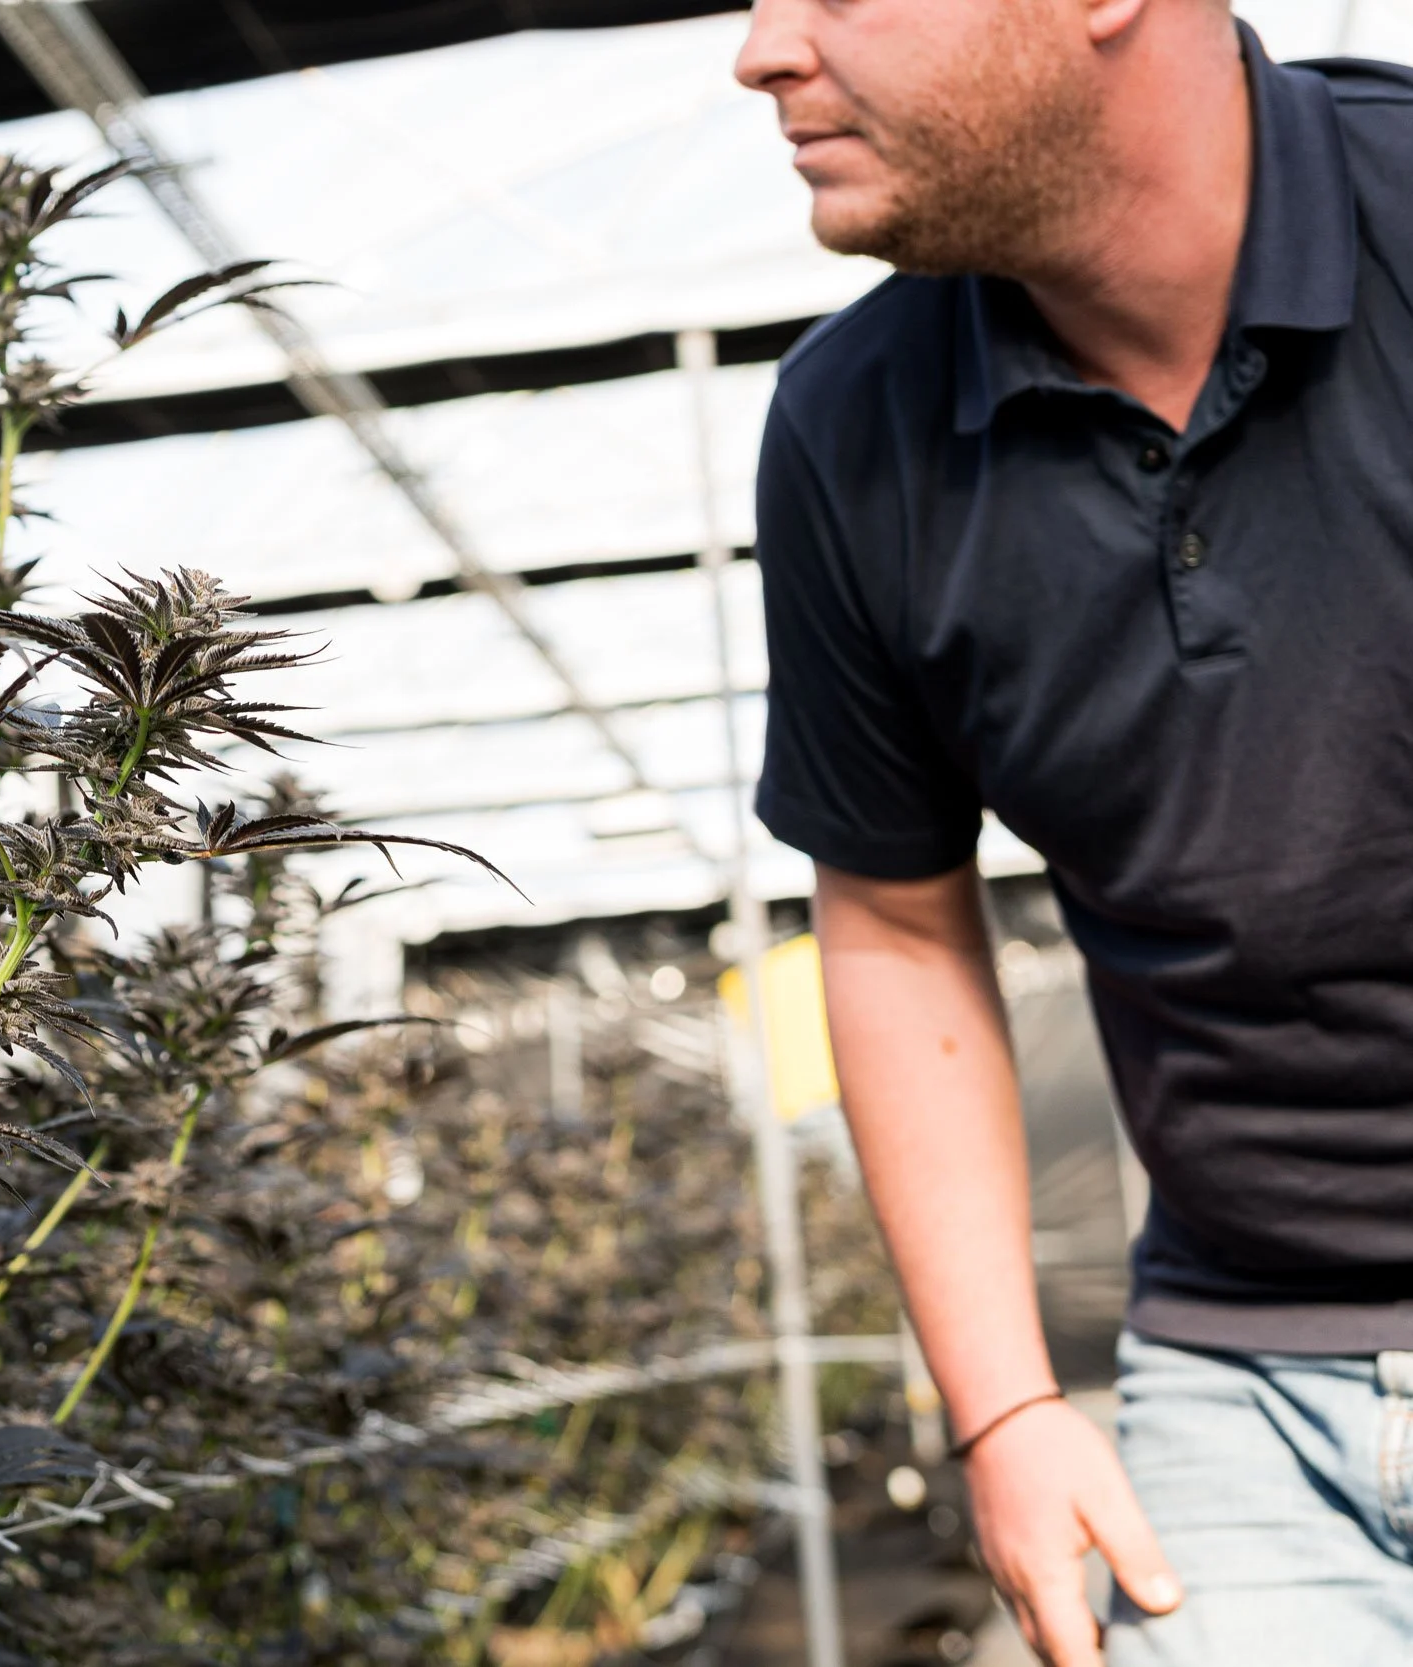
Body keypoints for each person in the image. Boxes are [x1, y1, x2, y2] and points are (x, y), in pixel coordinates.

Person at [734, 1, 1413, 1662]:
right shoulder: (852, 433)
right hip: (1248, 1369)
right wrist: (1007, 1406)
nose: (761, 49)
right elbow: (893, 925)